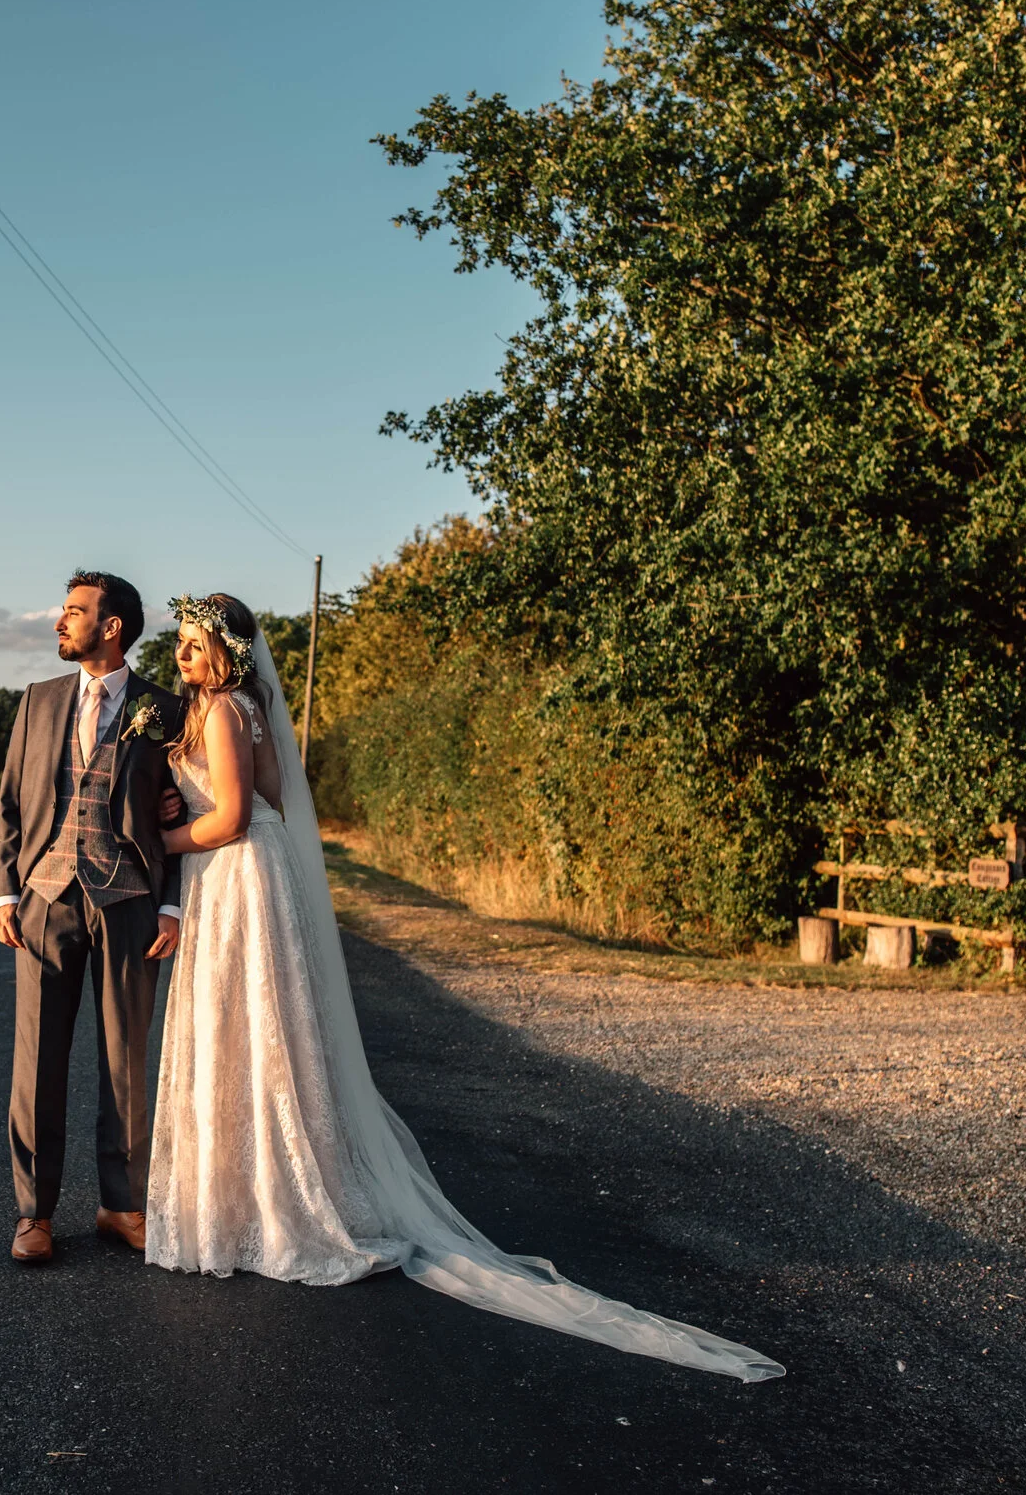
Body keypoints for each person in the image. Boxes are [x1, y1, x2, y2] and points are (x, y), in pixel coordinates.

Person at [142, 592, 784, 1382]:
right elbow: (271, 798)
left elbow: (235, 814)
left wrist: (158, 838)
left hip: (236, 874)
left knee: (242, 1032)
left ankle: (262, 1207)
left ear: (228, 651)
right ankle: (251, 1196)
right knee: (253, 1035)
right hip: (248, 880)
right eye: (180, 642)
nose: (183, 655)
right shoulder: (238, 705)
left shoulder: (224, 708)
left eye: (196, 642)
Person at [0, 571, 188, 1264]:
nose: (58, 623)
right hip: (44, 896)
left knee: (125, 1058)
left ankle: (121, 1204)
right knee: (37, 1058)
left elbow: (184, 811)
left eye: (73, 612)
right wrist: (4, 892)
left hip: (131, 900)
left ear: (112, 627)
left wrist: (170, 902)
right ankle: (34, 1213)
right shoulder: (38, 701)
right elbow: (11, 804)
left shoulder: (165, 708)